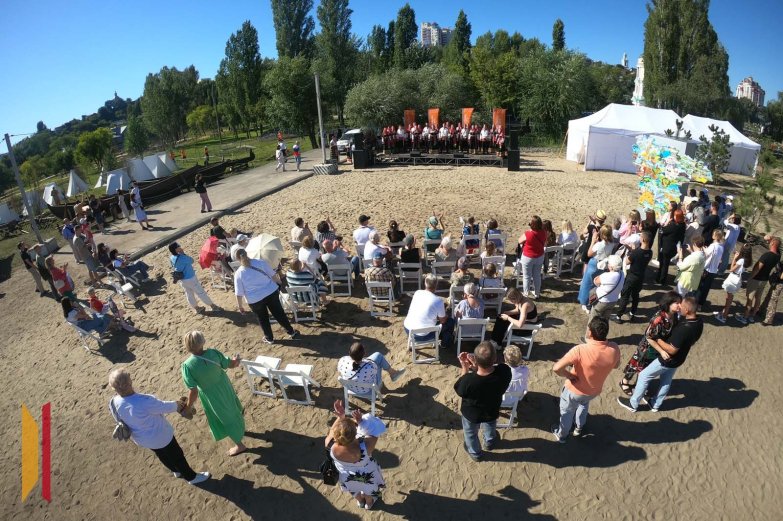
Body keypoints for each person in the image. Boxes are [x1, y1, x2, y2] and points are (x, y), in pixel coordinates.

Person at [108, 368, 210, 485]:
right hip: (160, 436)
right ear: (129, 383)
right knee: (177, 456)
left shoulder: (113, 402)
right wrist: (179, 404)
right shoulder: (144, 401)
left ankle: (176, 470)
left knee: (161, 454)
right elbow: (164, 406)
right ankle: (191, 477)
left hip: (142, 439)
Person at [618, 297, 703, 412]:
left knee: (644, 376)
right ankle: (655, 404)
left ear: (687, 310)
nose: (679, 306)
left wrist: (657, 339)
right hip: (680, 359)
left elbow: (672, 350)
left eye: (681, 305)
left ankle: (633, 404)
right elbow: (694, 339)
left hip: (667, 359)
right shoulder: (699, 321)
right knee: (666, 381)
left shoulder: (684, 329)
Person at [552, 317, 620, 442]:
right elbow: (616, 365)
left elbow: (556, 368)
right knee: (583, 405)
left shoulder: (580, 349)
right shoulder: (614, 348)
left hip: (574, 391)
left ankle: (562, 435)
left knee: (567, 412)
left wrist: (569, 375)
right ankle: (578, 427)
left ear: (590, 333)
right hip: (593, 390)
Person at [181, 331, 247, 456]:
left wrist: (188, 407)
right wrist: (236, 360)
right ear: (202, 342)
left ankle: (240, 445)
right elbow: (230, 364)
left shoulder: (187, 366)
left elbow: (193, 391)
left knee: (224, 416)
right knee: (232, 405)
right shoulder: (213, 353)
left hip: (211, 395)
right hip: (224, 386)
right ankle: (240, 426)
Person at [454, 341, 512, 461]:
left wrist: (465, 368)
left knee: (470, 433)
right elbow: (489, 372)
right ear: (495, 359)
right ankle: (489, 442)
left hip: (472, 414)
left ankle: (475, 453)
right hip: (492, 409)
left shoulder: (468, 381)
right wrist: (477, 365)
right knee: (490, 425)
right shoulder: (504, 371)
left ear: (475, 359)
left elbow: (460, 390)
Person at [325, 400, 386, 510]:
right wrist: (361, 422)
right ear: (355, 433)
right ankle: (369, 503)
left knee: (352, 488)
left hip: (346, 474)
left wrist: (340, 417)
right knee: (368, 489)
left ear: (336, 435)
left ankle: (360, 501)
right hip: (366, 474)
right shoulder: (366, 446)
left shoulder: (329, 444)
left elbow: (332, 431)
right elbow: (374, 430)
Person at [619, 291, 682, 394]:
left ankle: (638, 385)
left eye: (680, 303)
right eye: (677, 303)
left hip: (658, 348)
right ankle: (624, 382)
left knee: (645, 368)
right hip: (647, 347)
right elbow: (649, 337)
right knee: (636, 364)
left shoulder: (674, 316)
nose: (680, 305)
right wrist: (662, 351)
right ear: (669, 303)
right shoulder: (658, 318)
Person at [234, 248, 299, 344]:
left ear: (237, 259)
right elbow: (273, 275)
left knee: (263, 318)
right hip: (270, 292)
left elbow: (239, 293)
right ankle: (291, 331)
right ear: (247, 254)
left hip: (255, 299)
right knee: (279, 313)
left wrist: (240, 306)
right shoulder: (260, 262)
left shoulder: (239, 273)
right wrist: (279, 283)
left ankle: (269, 338)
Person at [738, 236, 781, 324]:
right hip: (764, 279)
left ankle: (745, 317)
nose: (768, 243)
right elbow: (776, 244)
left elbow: (757, 268)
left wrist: (750, 277)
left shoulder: (766, 255)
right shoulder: (778, 256)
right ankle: (752, 316)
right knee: (758, 298)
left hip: (756, 279)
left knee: (750, 299)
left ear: (773, 243)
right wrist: (772, 239)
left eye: (770, 242)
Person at [169, 242, 220, 315]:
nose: (180, 247)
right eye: (178, 246)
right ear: (176, 249)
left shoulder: (172, 257)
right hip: (190, 278)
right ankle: (213, 306)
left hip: (181, 279)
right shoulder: (182, 257)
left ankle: (197, 308)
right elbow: (191, 260)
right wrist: (183, 253)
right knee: (200, 292)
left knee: (189, 294)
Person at [613, 232, 653, 323]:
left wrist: (632, 251)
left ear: (643, 239)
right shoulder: (650, 252)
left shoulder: (636, 252)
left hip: (631, 277)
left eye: (641, 237)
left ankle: (618, 316)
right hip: (640, 277)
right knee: (635, 295)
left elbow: (627, 262)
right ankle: (632, 313)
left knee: (625, 295)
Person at [403, 274, 450, 346]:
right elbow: (442, 321)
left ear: (425, 283)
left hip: (408, 329)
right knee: (450, 322)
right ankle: (445, 344)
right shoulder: (438, 301)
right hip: (423, 335)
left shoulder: (417, 293)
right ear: (436, 285)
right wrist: (446, 316)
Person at [577, 224, 615, 312]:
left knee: (587, 284)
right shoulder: (612, 243)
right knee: (596, 286)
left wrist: (593, 241)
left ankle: (585, 303)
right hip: (603, 265)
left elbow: (589, 254)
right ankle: (591, 303)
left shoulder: (599, 244)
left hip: (594, 263)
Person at [337, 341, 405, 389]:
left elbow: (339, 370)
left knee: (377, 358)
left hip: (351, 388)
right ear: (364, 353)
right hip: (368, 390)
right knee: (378, 361)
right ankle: (393, 373)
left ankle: (393, 373)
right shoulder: (369, 366)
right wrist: (367, 361)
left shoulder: (343, 360)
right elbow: (374, 372)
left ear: (349, 353)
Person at [715, 243, 752, 324]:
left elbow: (731, 269)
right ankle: (723, 312)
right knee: (729, 297)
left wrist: (734, 259)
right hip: (737, 279)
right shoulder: (747, 260)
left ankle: (724, 316)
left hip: (733, 278)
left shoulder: (741, 260)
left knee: (729, 299)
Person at [517, 216, 547, 298]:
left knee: (527, 276)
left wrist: (530, 231)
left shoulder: (528, 233)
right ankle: (537, 293)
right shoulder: (543, 232)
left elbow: (519, 241)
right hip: (539, 256)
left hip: (528, 257)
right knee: (537, 275)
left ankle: (526, 294)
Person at [656, 209, 686, 285]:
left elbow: (663, 230)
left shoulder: (673, 226)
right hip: (673, 247)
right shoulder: (683, 225)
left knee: (663, 264)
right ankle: (662, 279)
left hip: (667, 246)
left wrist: (667, 222)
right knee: (666, 264)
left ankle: (661, 279)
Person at [696, 230, 725, 308]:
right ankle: (700, 304)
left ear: (715, 236)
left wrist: (704, 249)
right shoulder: (721, 246)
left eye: (713, 234)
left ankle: (696, 302)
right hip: (714, 270)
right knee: (706, 289)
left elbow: (706, 254)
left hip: (707, 269)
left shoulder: (713, 246)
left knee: (700, 287)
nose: (712, 235)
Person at [762, 252, 783, 326]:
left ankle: (769, 319)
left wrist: (778, 269)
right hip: (776, 281)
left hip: (779, 283)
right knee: (769, 296)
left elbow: (782, 277)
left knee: (773, 300)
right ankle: (762, 311)